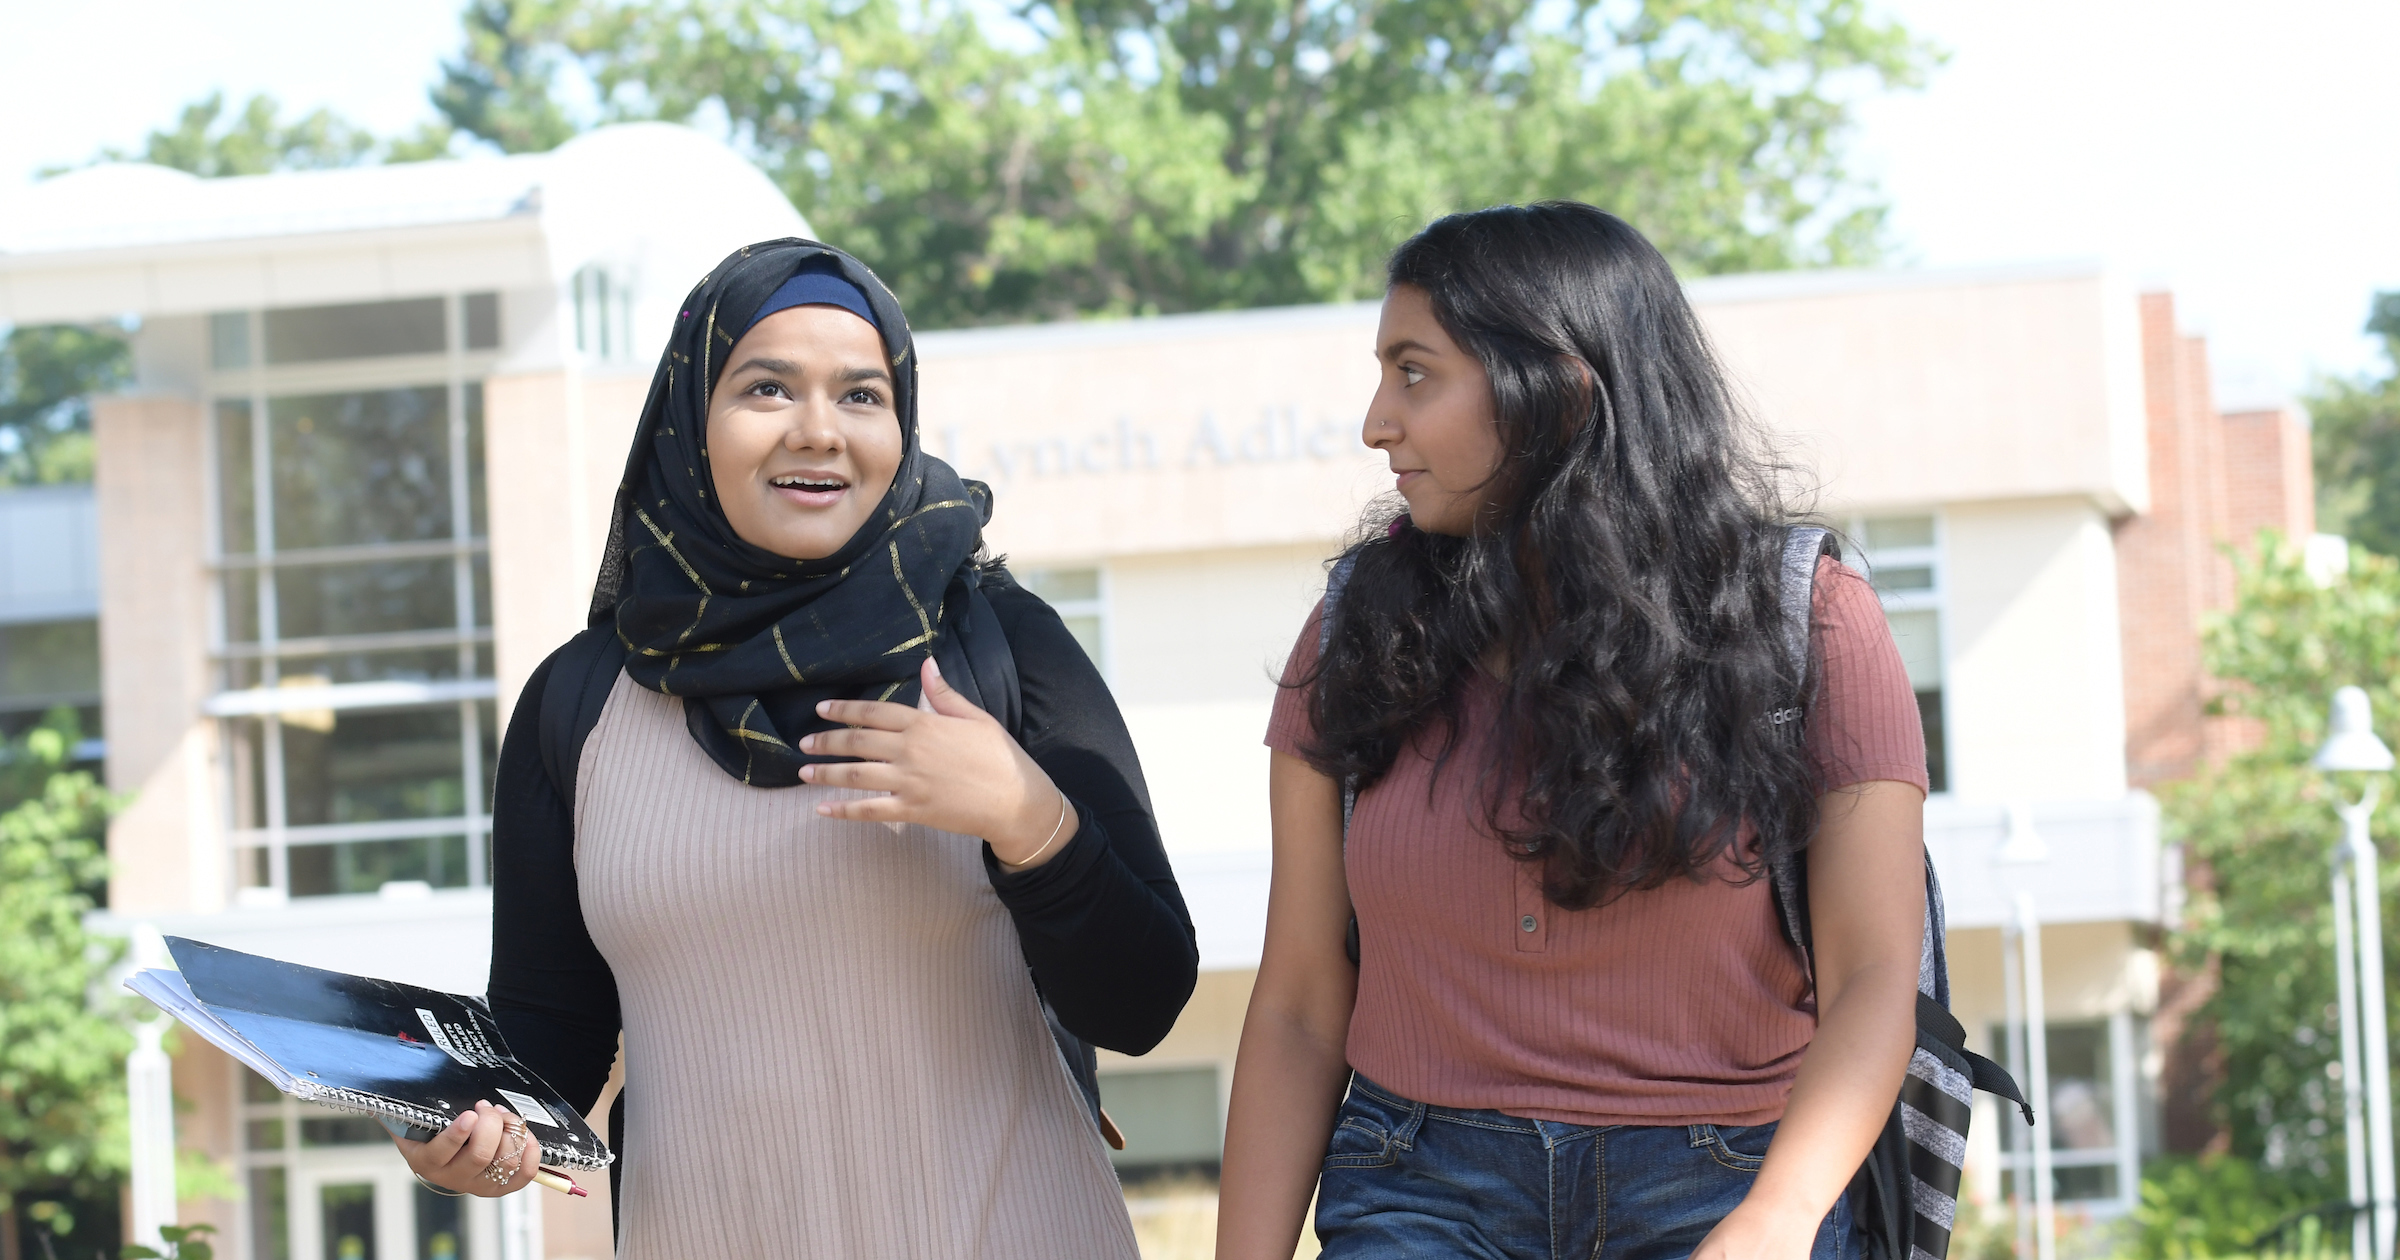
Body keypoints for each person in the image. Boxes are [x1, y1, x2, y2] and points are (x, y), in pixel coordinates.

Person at [391, 239, 1198, 1258]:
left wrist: (1028, 820)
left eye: (862, 396)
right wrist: (474, 1133)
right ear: (690, 421)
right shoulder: (581, 702)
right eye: (766, 389)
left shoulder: (1000, 646)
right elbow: (551, 1038)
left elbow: (1145, 1003)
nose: (819, 432)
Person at [1216, 202, 1929, 1260]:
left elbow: (1875, 977)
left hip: (1727, 1189)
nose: (1377, 423)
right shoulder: (1355, 625)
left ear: (1555, 391)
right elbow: (1301, 1004)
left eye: (1414, 372)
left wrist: (1774, 1223)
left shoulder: (1808, 621)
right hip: (1418, 1187)